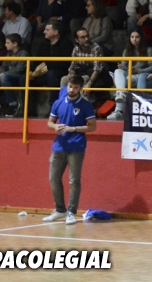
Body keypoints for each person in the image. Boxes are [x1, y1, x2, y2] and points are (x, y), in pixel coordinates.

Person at [42, 76, 96, 226]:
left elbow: (92, 126)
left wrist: (74, 129)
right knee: (53, 178)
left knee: (74, 180)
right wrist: (55, 127)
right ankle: (60, 209)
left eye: (75, 87)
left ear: (80, 89)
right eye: (70, 86)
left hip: (76, 147)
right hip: (58, 146)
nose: (72, 90)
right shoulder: (58, 103)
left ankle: (71, 212)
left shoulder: (86, 105)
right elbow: (50, 123)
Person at [108, 30, 152, 120]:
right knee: (118, 71)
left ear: (141, 38)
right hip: (130, 75)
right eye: (132, 37)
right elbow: (125, 67)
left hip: (143, 76)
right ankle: (121, 96)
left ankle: (120, 110)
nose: (134, 39)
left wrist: (139, 70)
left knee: (122, 81)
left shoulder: (148, 50)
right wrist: (123, 68)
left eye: (137, 37)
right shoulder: (127, 50)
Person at [0, 33, 28, 117]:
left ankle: (13, 103)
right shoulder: (9, 53)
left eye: (8, 43)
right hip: (5, 75)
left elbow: (19, 69)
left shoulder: (23, 53)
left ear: (15, 44)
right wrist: (1, 73)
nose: (5, 45)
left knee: (4, 77)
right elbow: (3, 66)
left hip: (18, 76)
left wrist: (2, 74)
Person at [62, 29, 106, 94]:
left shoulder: (96, 48)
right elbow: (73, 66)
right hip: (81, 72)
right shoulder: (76, 49)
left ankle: (82, 100)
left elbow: (97, 69)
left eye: (87, 36)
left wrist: (90, 83)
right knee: (64, 79)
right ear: (76, 40)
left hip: (93, 74)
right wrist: (71, 73)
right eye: (83, 37)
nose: (86, 39)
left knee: (82, 79)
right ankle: (63, 99)